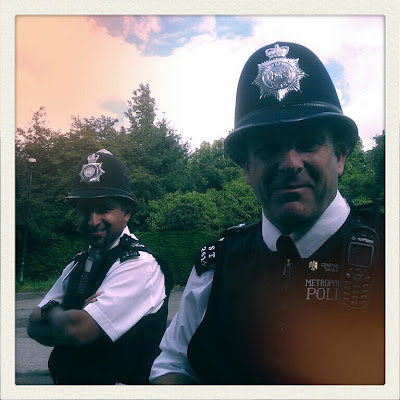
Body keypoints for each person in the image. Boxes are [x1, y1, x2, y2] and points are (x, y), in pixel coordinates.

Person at [149, 42, 385, 385]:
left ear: (340, 156)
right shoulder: (217, 266)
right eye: (269, 147)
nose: (289, 163)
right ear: (247, 168)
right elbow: (172, 366)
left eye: (308, 142)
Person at [27, 149, 173, 385]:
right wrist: (69, 314)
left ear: (127, 212)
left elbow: (77, 331)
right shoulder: (79, 262)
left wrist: (54, 310)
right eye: (84, 210)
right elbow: (33, 326)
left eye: (104, 209)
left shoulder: (139, 265)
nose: (92, 220)